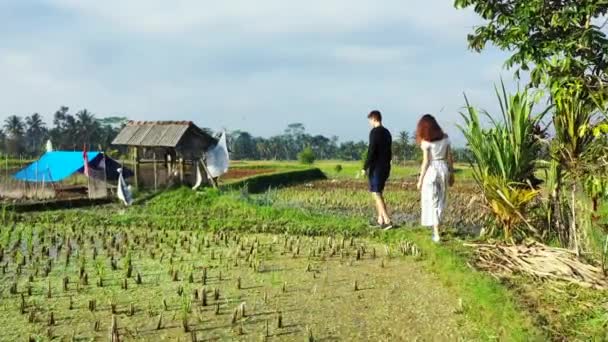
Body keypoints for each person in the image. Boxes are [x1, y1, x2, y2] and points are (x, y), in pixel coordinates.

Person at [416, 114, 454, 242]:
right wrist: (452, 174)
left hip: (432, 170)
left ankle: (436, 233)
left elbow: (426, 162)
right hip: (443, 168)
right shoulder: (446, 138)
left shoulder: (426, 142)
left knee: (432, 200)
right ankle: (437, 230)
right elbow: (450, 158)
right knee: (441, 200)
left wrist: (420, 180)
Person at [362, 110, 393, 229]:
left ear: (374, 119)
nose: (369, 123)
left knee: (376, 193)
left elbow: (371, 151)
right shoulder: (387, 133)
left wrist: (365, 167)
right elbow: (389, 152)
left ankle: (387, 220)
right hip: (385, 167)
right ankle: (380, 220)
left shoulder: (374, 132)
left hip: (377, 168)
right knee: (378, 192)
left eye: (370, 120)